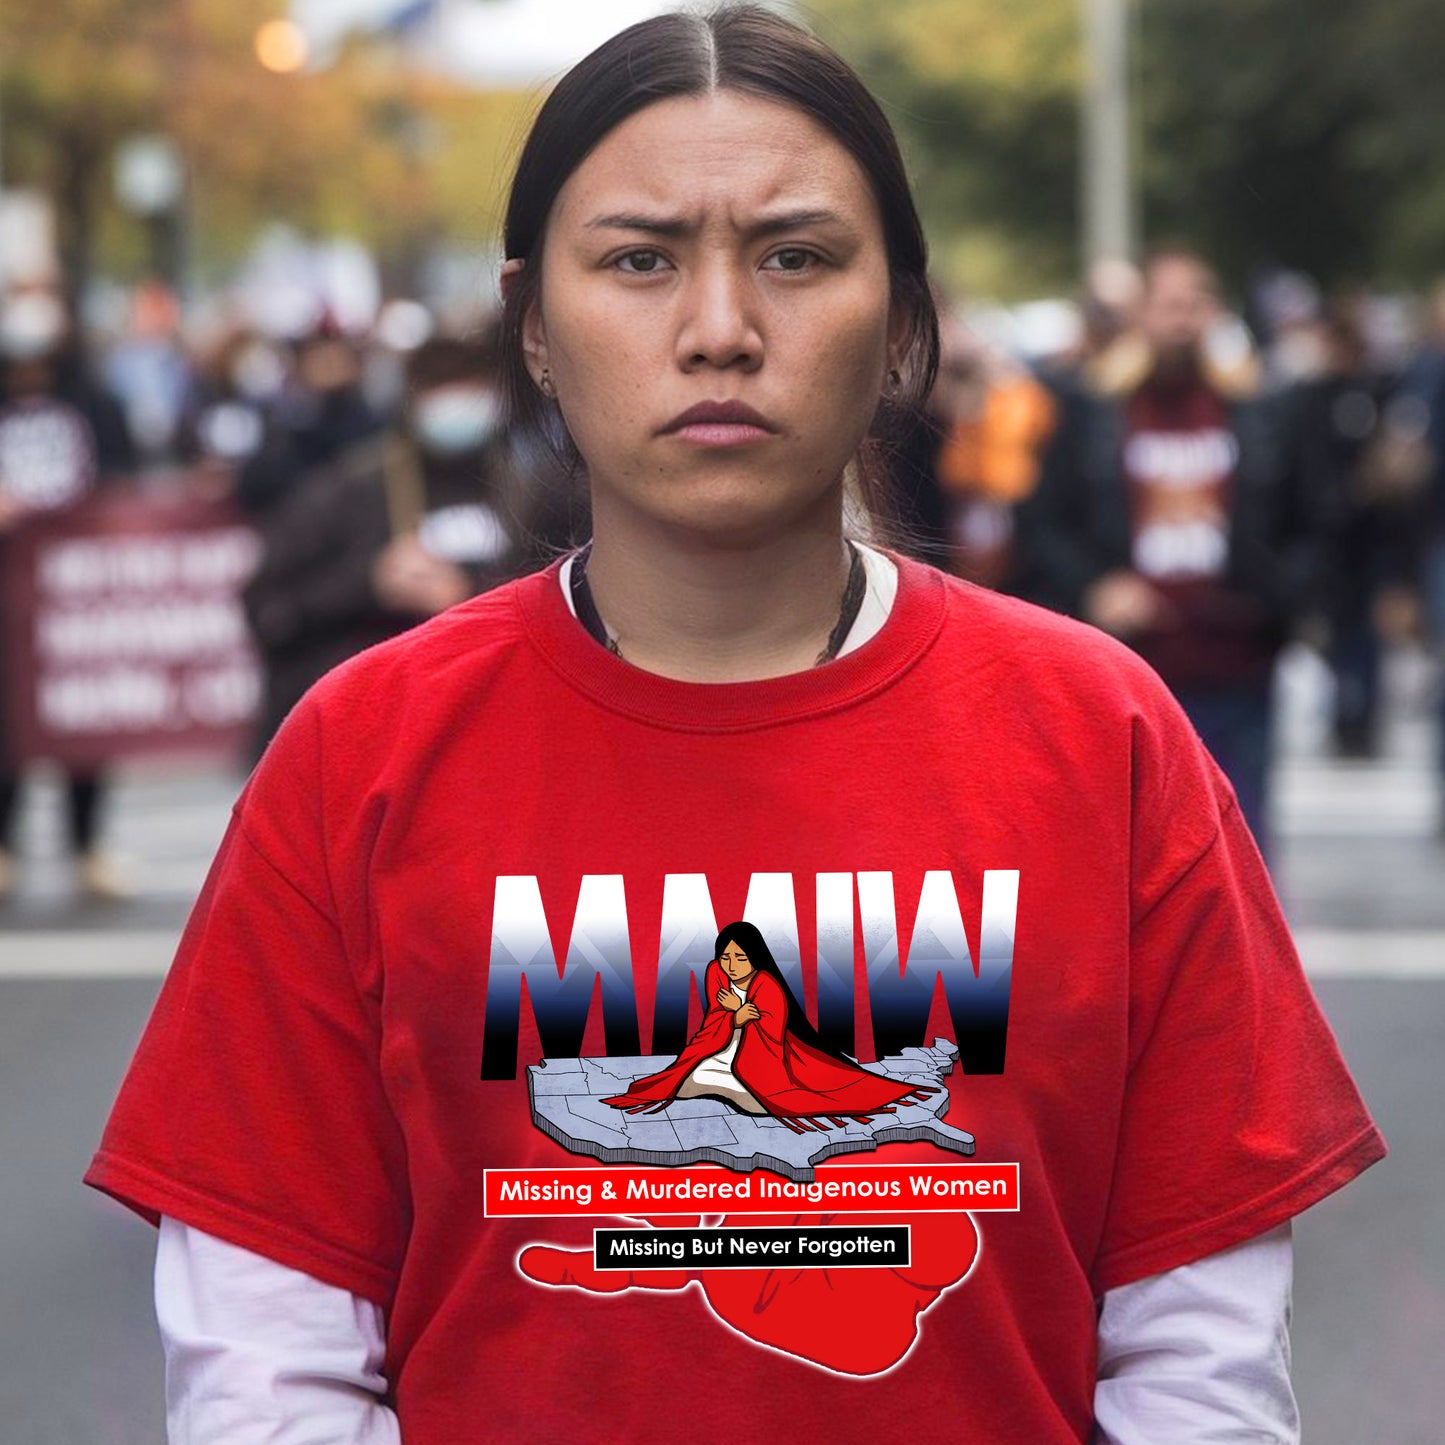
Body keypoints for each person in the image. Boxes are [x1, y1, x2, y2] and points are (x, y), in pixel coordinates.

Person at [86, 9, 1384, 1442]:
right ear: (531, 322)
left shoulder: (1103, 736)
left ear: (901, 322)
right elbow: (270, 1370)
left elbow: (1199, 1363)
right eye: (639, 261)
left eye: (797, 257)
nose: (719, 330)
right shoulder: (364, 754)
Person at [1017, 248, 1320, 857]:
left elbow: (1310, 520)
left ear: (1214, 313)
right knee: (1133, 855)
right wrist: (1094, 586)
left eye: (1195, 303)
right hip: (1131, 673)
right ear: (1142, 314)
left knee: (1241, 849)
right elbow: (1041, 523)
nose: (1181, 318)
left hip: (1238, 667)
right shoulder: (1092, 412)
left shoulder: (1260, 412)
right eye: (1167, 304)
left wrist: (1274, 598)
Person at [604, 921, 937, 1125]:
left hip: (762, 1055)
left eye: (740, 957)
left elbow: (771, 1035)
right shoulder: (714, 972)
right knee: (690, 1077)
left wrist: (743, 1012)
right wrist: (738, 1014)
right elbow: (715, 1020)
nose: (731, 965)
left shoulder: (768, 985)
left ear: (755, 957)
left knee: (759, 1094)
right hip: (722, 1044)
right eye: (726, 957)